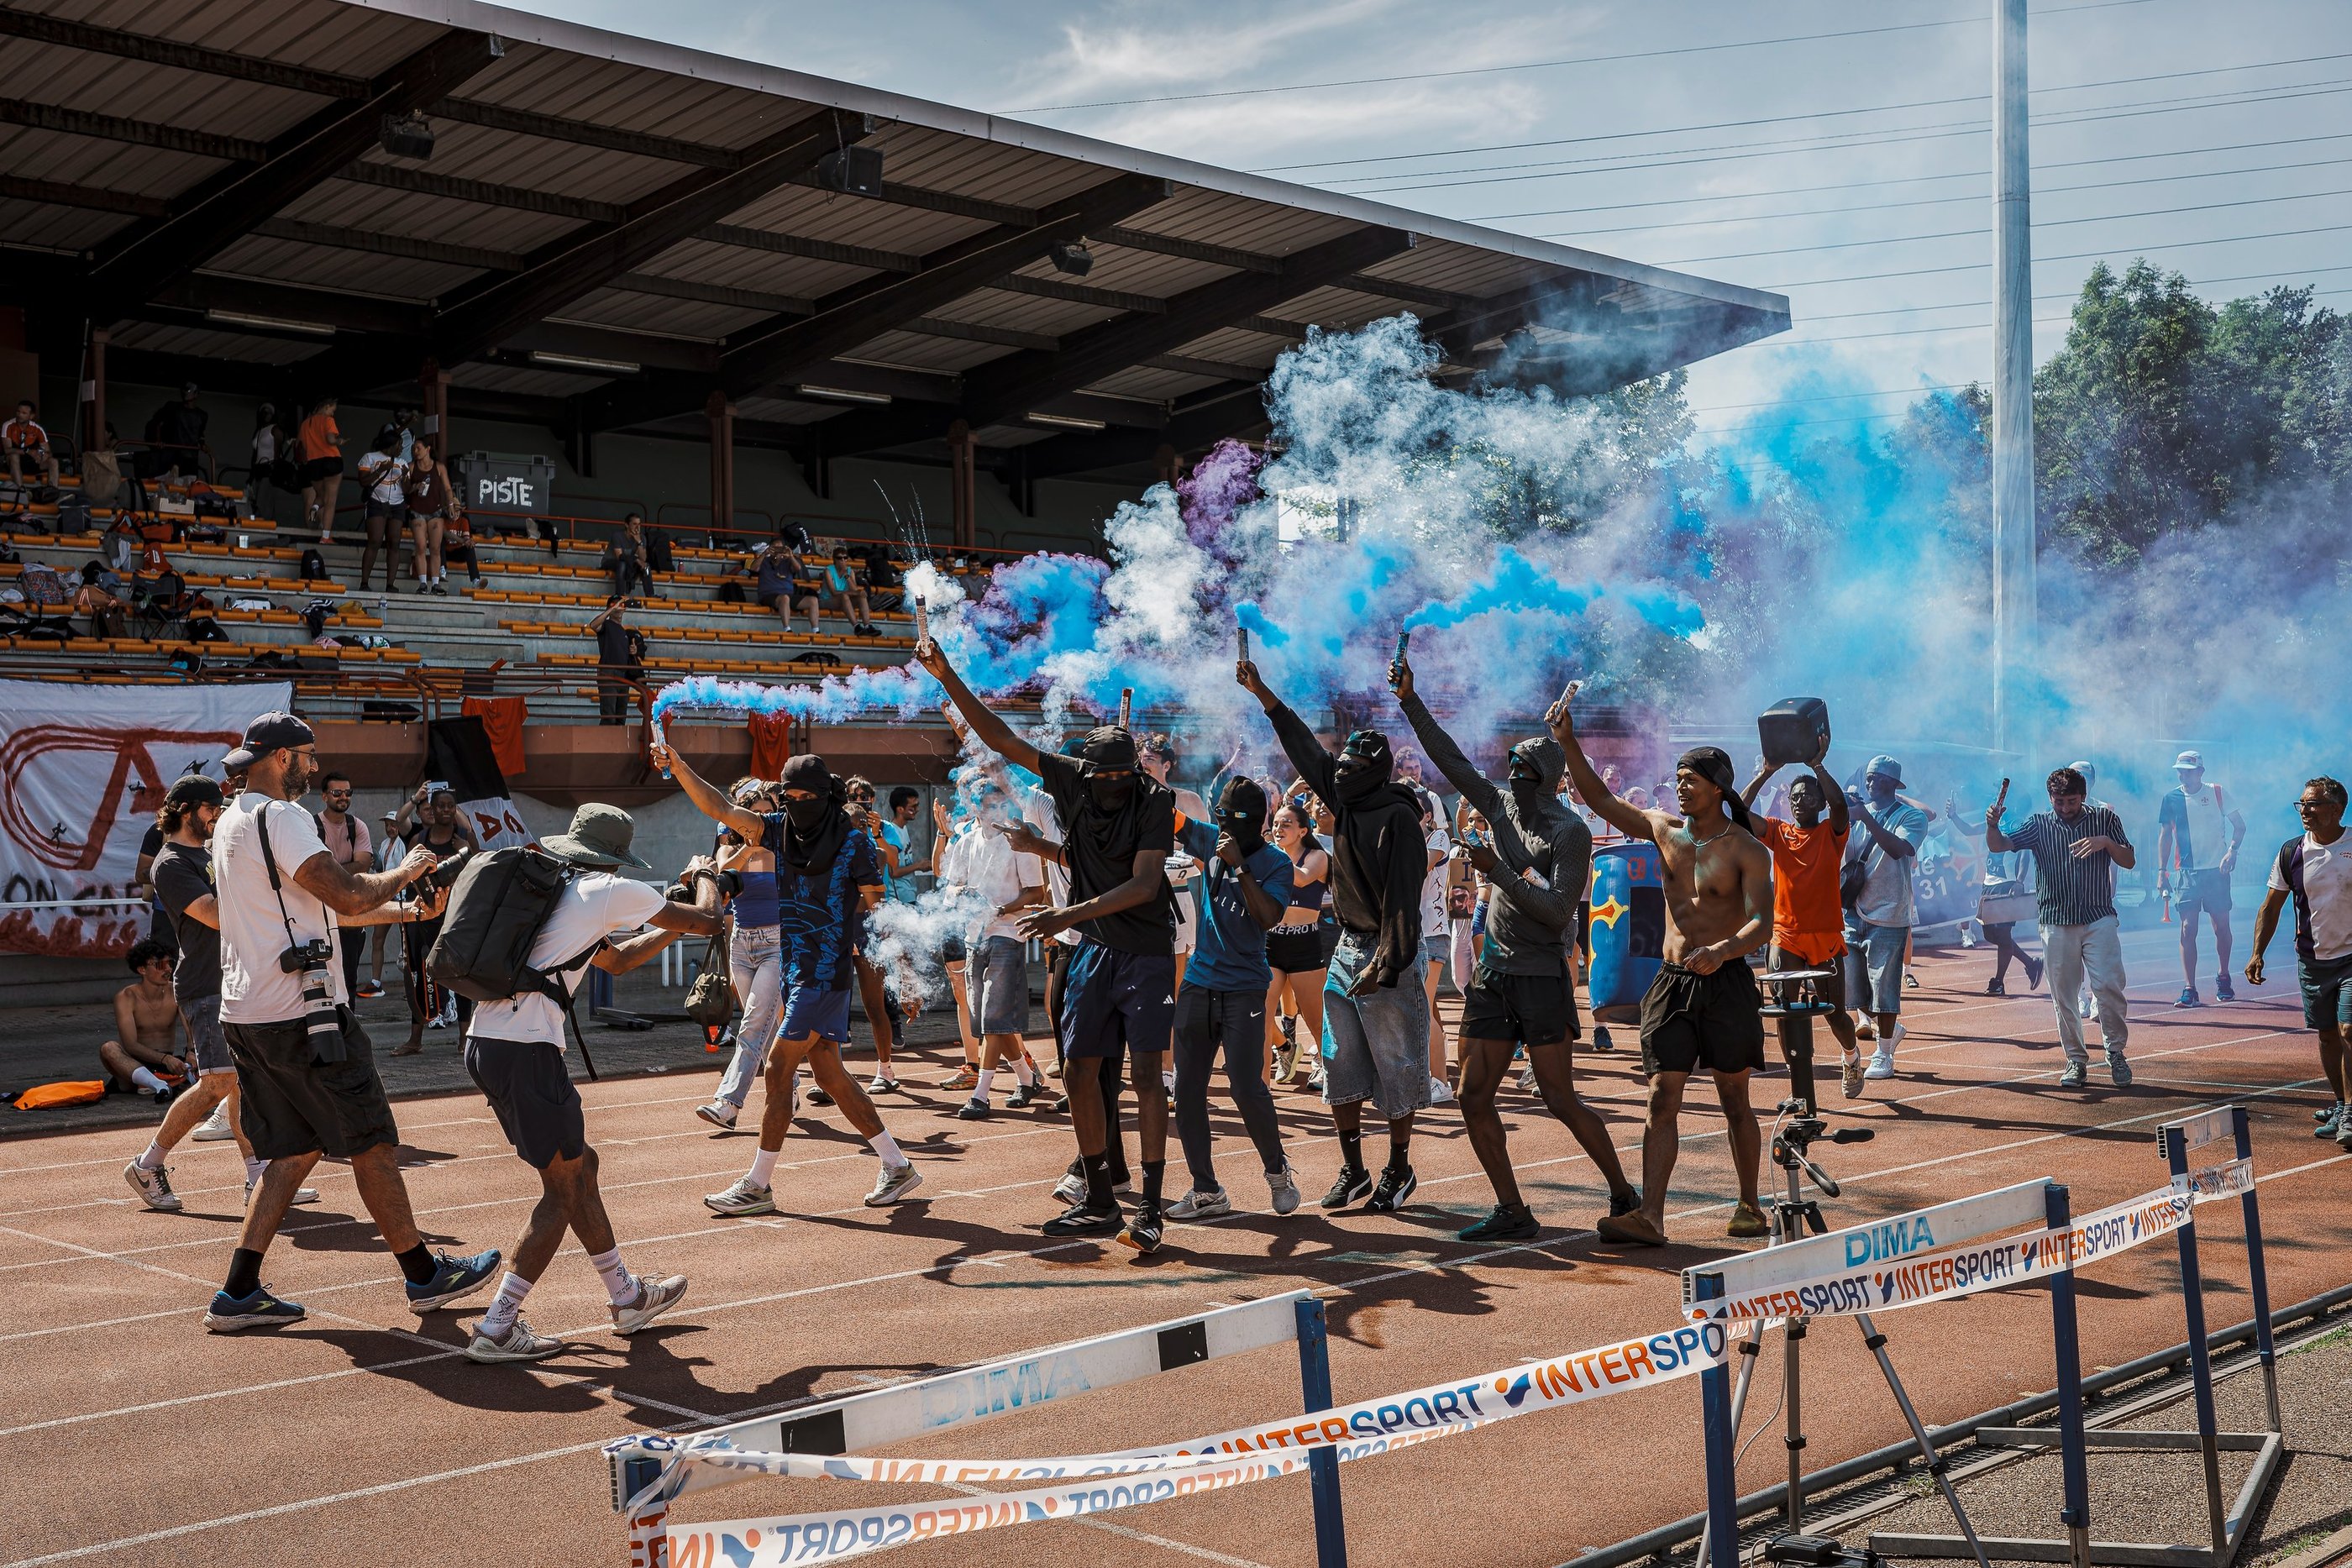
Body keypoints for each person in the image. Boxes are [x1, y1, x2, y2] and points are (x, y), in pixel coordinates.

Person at [202, 711, 499, 1331]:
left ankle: (238, 1290)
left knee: (292, 1149)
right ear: (282, 758)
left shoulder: (232, 820)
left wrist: (404, 910)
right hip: (303, 1013)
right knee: (371, 1139)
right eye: (308, 756)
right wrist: (409, 868)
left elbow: (323, 909)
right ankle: (423, 1274)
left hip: (250, 1011)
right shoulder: (282, 818)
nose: (315, 766)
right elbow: (343, 893)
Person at [919, 639, 1181, 1250]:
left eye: (1123, 776)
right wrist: (947, 673)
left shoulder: (1155, 798)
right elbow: (1001, 740)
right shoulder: (1074, 777)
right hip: (1092, 947)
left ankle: (1149, 1205)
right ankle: (1097, 1198)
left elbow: (1142, 884)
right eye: (1105, 776)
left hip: (1142, 949)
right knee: (1077, 1068)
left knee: (1145, 1076)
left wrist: (1068, 911)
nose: (1114, 784)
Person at [459, 805, 719, 1362]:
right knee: (563, 1190)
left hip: (490, 1042)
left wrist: (657, 922)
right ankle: (497, 1326)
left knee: (583, 1167)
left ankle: (626, 1296)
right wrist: (707, 876)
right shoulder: (606, 889)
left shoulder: (558, 888)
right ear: (615, 856)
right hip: (527, 1050)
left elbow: (618, 961)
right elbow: (707, 921)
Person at [1392, 657, 1640, 1240]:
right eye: (1510, 769)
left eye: (1522, 770)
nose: (1511, 777)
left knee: (1558, 1095)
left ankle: (1624, 1191)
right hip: (1494, 975)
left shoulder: (1568, 831)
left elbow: (1557, 910)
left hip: (1541, 977)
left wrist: (1497, 871)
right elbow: (1451, 760)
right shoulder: (1502, 805)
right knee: (1471, 1093)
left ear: (1547, 778)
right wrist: (1410, 700)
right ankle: (1512, 1207)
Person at [656, 745, 924, 1214]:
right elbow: (720, 807)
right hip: (795, 966)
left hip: (825, 971)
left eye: (807, 796)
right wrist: (678, 766)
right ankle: (897, 1165)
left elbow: (884, 912)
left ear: (826, 795)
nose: (797, 804)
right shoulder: (777, 829)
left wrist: (905, 973)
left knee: (779, 1067)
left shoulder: (854, 843)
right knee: (830, 1074)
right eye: (790, 795)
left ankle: (758, 1185)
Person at [1555, 699, 1772, 1246]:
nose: (1680, 788)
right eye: (1677, 779)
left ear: (1718, 787)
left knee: (1734, 1100)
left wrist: (1722, 949)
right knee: (1660, 1097)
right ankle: (1651, 1214)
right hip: (1673, 983)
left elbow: (1763, 925)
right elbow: (1599, 797)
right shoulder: (1664, 830)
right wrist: (1567, 742)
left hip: (1726, 984)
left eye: (1691, 780)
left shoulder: (1747, 848)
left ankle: (1749, 1202)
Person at [1237, 658, 1429, 1217]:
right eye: (1339, 764)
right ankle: (1354, 1167)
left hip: (1387, 953)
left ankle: (1399, 1166)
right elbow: (1301, 745)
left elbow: (1404, 903)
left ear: (1373, 771)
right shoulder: (1345, 796)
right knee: (1339, 1061)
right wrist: (1263, 692)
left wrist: (1386, 964)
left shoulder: (1398, 819)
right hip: (1344, 948)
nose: (1337, 774)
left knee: (1394, 1067)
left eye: (1350, 766)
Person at [125, 774, 322, 1212]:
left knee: (241, 1084)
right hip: (204, 985)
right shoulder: (171, 863)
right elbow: (214, 915)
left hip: (233, 980)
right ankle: (147, 1163)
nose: (218, 815)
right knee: (219, 1082)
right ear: (187, 809)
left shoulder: (209, 852)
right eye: (213, 808)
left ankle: (257, 1176)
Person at [1161, 775, 1301, 1217]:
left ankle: (1277, 1171)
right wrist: (1141, 781)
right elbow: (1172, 816)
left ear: (1255, 822)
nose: (1222, 826)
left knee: (1246, 1087)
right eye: (1218, 816)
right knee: (1187, 1089)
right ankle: (1206, 1189)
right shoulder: (1209, 838)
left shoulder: (1276, 864)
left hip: (1244, 988)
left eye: (1230, 819)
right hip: (1199, 984)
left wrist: (1239, 867)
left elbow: (1268, 917)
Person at [1986, 767, 2137, 1088]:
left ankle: (2115, 1052)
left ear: (2083, 796)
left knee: (2109, 986)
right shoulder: (2040, 824)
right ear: (2050, 798)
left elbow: (2129, 860)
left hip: (2099, 917)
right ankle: (2075, 1060)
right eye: (2059, 802)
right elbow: (1999, 845)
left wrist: (2105, 844)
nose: (2065, 808)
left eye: (2071, 801)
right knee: (2064, 996)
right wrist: (1992, 825)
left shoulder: (2105, 819)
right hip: (2056, 920)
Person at [1743, 740, 1862, 1104]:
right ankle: (1799, 1082)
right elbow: (1737, 812)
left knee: (1836, 1015)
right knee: (1785, 1011)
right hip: (1785, 935)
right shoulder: (1778, 832)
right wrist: (1766, 772)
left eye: (1807, 796)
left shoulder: (1831, 832)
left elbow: (1841, 806)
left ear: (1820, 803)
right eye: (1793, 796)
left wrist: (1818, 766)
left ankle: (1852, 1057)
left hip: (1825, 936)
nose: (1798, 801)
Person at [2246, 778, 2352, 1148]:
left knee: (2348, 1030)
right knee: (2326, 1034)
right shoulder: (2291, 852)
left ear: (2338, 809)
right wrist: (2258, 952)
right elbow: (2271, 906)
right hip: (2313, 959)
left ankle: (2351, 1112)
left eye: (2314, 804)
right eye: (2302, 804)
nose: (2306, 811)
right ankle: (2341, 1104)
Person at [938, 777, 1049, 1120]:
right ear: (976, 809)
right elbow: (949, 887)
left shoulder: (1018, 842)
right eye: (991, 807)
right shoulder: (966, 841)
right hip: (975, 936)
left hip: (1007, 934)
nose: (999, 813)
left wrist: (1000, 910)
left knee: (992, 1015)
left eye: (1004, 806)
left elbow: (1036, 892)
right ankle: (1026, 1078)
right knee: (983, 1016)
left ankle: (981, 1094)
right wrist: (960, 897)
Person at [696, 779, 785, 1130]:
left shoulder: (784, 850)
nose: (762, 820)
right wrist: (749, 847)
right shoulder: (729, 849)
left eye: (768, 814)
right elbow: (720, 872)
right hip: (741, 945)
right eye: (755, 814)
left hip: (777, 943)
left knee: (752, 1025)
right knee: (765, 1024)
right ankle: (790, 1085)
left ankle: (728, 1103)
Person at [1843, 756, 1928, 1080]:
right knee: (1853, 990)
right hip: (1853, 910)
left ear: (1894, 784)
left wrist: (1866, 817)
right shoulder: (1856, 816)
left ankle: (1884, 1052)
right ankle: (1889, 1028)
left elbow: (1899, 849)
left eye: (1877, 778)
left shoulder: (1911, 816)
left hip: (1889, 912)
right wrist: (1846, 813)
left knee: (1885, 987)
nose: (1870, 783)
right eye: (1867, 778)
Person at [389, 784, 479, 1054]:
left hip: (456, 917)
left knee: (460, 976)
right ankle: (415, 1040)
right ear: (431, 809)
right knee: (420, 975)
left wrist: (466, 850)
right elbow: (408, 874)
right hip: (424, 919)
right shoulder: (421, 839)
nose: (446, 811)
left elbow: (478, 866)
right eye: (441, 806)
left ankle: (464, 1039)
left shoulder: (462, 839)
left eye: (451, 806)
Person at [2157, 749, 2248, 1008]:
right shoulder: (2171, 798)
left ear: (2201, 771)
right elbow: (2165, 835)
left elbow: (2239, 825)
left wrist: (2232, 851)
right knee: (2188, 928)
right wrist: (2161, 871)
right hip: (2186, 873)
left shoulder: (2217, 792)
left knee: (2221, 928)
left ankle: (2224, 975)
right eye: (2180, 770)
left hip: (2217, 872)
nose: (2183, 774)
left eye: (2188, 769)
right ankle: (2190, 988)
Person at [1944, 789, 2045, 999]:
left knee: (2003, 934)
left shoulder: (2020, 824)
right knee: (1991, 934)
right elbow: (1971, 830)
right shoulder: (1998, 821)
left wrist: (2018, 881)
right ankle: (2030, 964)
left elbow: (2025, 855)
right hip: (1989, 883)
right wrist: (1954, 816)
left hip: (2006, 884)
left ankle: (1998, 981)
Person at [1264, 802, 1331, 1086]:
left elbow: (1302, 880)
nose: (1279, 829)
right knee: (1261, 1016)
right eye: (1276, 824)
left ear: (1303, 830)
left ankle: (1324, 1064)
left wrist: (1264, 855)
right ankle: (1284, 1050)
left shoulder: (1317, 856)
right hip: (1272, 942)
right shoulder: (1270, 856)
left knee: (1316, 1021)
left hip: (1305, 944)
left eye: (1286, 824)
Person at [97, 939, 188, 1101]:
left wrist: (192, 1053)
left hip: (167, 1065)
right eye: (160, 965)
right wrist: (164, 1059)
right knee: (108, 1048)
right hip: (134, 1066)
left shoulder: (176, 990)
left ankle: (159, 1084)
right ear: (142, 969)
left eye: (170, 963)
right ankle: (157, 1085)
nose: (168, 969)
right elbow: (131, 1045)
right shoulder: (126, 997)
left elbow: (192, 1032)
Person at [315, 771, 373, 1003]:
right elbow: (310, 869)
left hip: (349, 916)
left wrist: (329, 870)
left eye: (348, 793)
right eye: (337, 792)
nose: (343, 797)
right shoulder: (311, 825)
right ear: (324, 796)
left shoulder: (357, 826)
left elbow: (364, 864)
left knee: (349, 979)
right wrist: (344, 871)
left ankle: (348, 1031)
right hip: (317, 915)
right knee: (319, 978)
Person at [354, 428, 407, 593]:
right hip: (376, 502)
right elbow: (363, 482)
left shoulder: (403, 462)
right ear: (390, 445)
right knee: (375, 541)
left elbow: (407, 489)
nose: (401, 449)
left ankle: (390, 584)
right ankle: (364, 582)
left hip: (397, 504)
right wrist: (380, 470)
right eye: (399, 445)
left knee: (394, 543)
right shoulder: (370, 458)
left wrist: (405, 476)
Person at [405, 442, 458, 595]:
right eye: (413, 448)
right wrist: (415, 487)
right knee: (420, 546)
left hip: (436, 511)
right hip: (417, 511)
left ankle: (435, 583)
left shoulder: (439, 467)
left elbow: (448, 489)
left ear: (428, 449)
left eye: (418, 448)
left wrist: (451, 505)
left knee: (435, 548)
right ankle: (422, 583)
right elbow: (405, 489)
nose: (415, 451)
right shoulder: (411, 467)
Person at [588, 595, 646, 727]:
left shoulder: (624, 632)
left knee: (621, 717)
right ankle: (605, 745)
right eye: (615, 604)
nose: (619, 606)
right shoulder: (607, 625)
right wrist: (612, 609)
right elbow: (593, 625)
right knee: (609, 716)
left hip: (623, 675)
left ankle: (616, 746)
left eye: (621, 604)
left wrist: (634, 650)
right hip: (609, 673)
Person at [752, 532, 820, 634]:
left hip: (788, 595)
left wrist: (791, 556)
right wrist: (764, 554)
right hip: (768, 595)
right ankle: (787, 629)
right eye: (775, 548)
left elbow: (798, 568)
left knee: (813, 600)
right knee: (785, 598)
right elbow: (754, 569)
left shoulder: (788, 561)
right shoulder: (764, 560)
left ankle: (816, 630)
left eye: (780, 548)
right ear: (770, 548)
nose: (778, 551)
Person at [297, 396, 344, 544]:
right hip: (331, 460)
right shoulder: (327, 421)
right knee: (331, 501)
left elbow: (301, 447)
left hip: (313, 463)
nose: (332, 414)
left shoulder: (305, 424)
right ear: (327, 406)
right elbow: (330, 439)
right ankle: (325, 537)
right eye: (332, 410)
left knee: (321, 495)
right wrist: (338, 441)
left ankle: (314, 508)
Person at [144, 383, 208, 480]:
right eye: (184, 390)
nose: (185, 393)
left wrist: (203, 444)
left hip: (189, 458)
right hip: (169, 454)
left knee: (187, 486)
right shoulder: (172, 407)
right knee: (164, 484)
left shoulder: (202, 415)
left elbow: (200, 434)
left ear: (196, 394)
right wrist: (158, 441)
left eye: (189, 390)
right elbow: (156, 423)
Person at [822, 543, 879, 636]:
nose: (843, 560)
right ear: (834, 560)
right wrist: (851, 593)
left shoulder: (849, 571)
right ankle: (856, 626)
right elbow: (833, 592)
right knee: (845, 596)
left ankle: (867, 626)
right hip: (827, 599)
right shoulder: (828, 570)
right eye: (839, 558)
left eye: (845, 558)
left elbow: (855, 590)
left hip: (844, 600)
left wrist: (847, 576)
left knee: (861, 596)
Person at [3, 400, 60, 488]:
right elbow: (7, 450)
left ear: (31, 416)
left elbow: (48, 452)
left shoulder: (37, 429)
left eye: (24, 413)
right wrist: (28, 451)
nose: (19, 415)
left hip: (31, 463)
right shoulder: (8, 425)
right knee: (14, 456)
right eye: (18, 412)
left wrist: (43, 454)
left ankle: (52, 492)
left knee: (53, 462)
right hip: (12, 464)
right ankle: (21, 491)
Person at [603, 513, 654, 601]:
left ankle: (651, 595)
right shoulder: (617, 536)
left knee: (646, 566)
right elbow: (620, 556)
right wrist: (636, 560)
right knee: (622, 564)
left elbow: (643, 559)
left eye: (639, 524)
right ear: (627, 525)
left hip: (629, 562)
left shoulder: (642, 538)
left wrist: (639, 542)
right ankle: (620, 596)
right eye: (634, 524)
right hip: (611, 561)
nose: (637, 527)